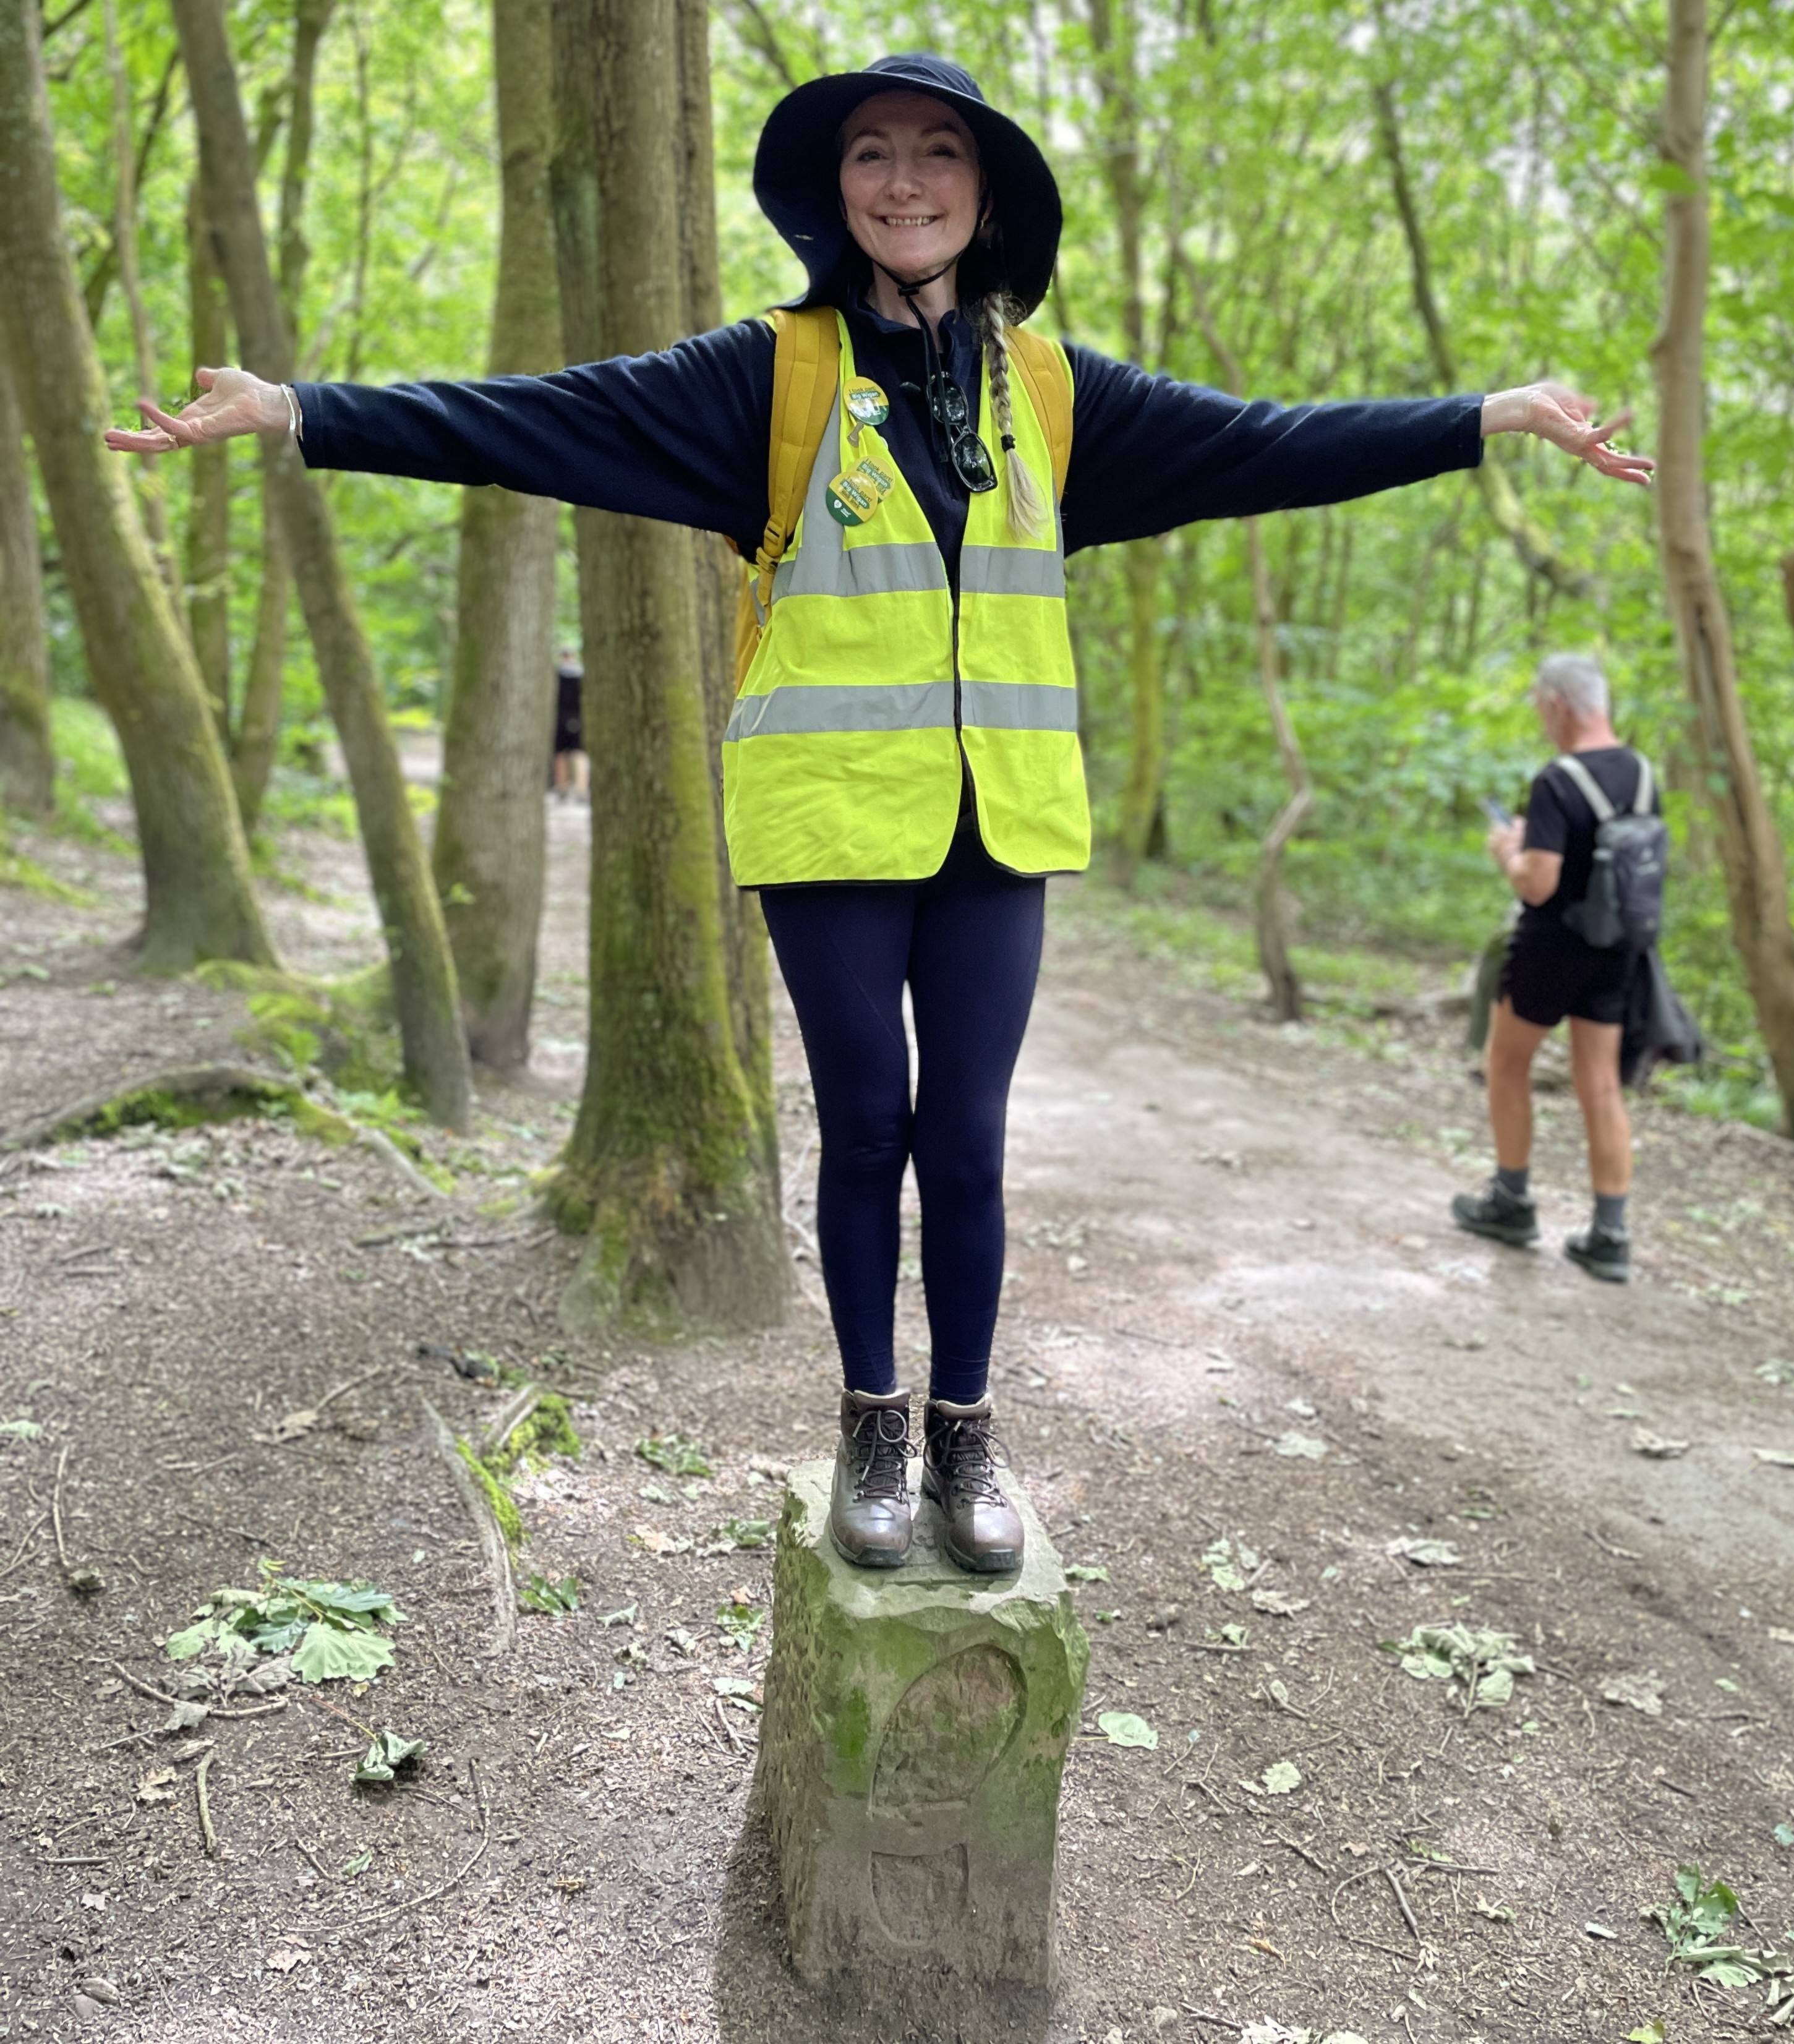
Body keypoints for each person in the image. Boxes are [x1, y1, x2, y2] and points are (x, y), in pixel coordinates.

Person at [105, 53, 1652, 1572]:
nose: (904, 182)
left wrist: (1488, 417)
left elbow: (1267, 444)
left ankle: (969, 1434)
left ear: (984, 199)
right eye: (872, 157)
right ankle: (871, 1426)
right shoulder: (765, 377)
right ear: (837, 197)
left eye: (937, 155)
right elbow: (534, 419)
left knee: (965, 1142)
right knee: (867, 1129)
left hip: (1004, 828)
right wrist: (301, 412)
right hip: (832, 822)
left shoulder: (1054, 392)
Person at [1452, 653, 1662, 1283]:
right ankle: (1610, 1233)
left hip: (1551, 946)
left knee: (1506, 1062)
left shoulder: (1557, 779)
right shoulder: (1642, 771)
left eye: (1542, 707)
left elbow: (1538, 884)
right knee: (1600, 1081)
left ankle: (1511, 1200)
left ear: (1558, 705)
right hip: (1619, 945)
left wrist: (1510, 852)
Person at [550, 646, 588, 801]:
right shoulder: (580, 675)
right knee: (572, 754)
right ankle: (573, 789)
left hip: (564, 718)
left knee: (568, 754)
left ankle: (569, 788)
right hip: (575, 718)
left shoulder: (557, 676)